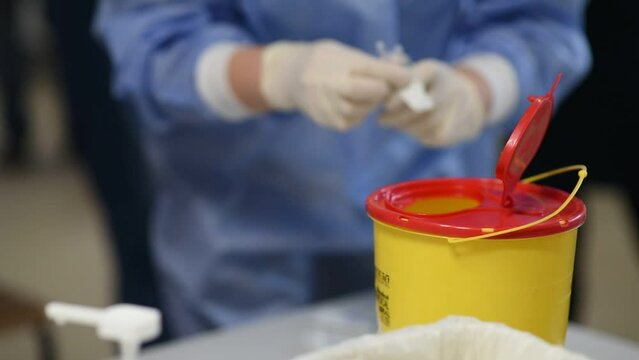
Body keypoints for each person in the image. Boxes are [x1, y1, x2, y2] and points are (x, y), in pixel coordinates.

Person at [93, 0, 591, 339]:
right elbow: (150, 38)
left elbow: (540, 20)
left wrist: (476, 88)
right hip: (241, 230)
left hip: (444, 224)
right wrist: (275, 74)